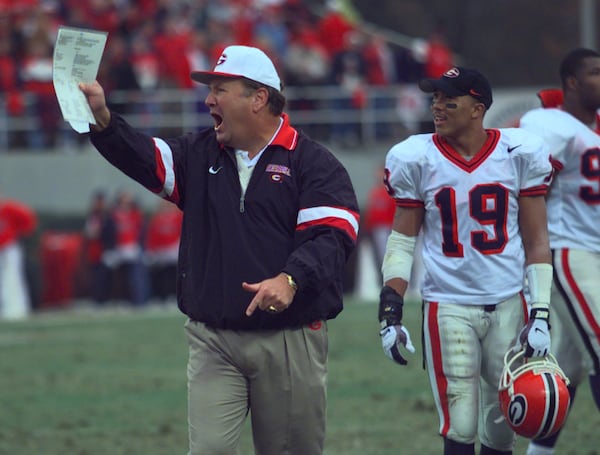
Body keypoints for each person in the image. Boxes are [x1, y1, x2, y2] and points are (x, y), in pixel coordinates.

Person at [79, 44, 359, 455]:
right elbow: (145, 157)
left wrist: (290, 278)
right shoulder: (199, 153)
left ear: (258, 98)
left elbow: (333, 238)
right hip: (214, 340)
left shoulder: (313, 163)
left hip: (288, 337)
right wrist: (103, 121)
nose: (208, 99)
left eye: (220, 89)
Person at [378, 67, 554, 454]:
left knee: (501, 426)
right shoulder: (418, 157)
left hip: (509, 300)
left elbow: (537, 240)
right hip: (448, 305)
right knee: (460, 424)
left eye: (448, 100)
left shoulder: (517, 153)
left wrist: (540, 311)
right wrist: (390, 310)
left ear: (477, 108)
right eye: (435, 98)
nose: (437, 107)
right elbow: (403, 240)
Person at [519, 47, 600, 455]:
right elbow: (532, 189)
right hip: (571, 251)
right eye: (595, 73)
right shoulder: (549, 124)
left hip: (596, 252)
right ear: (572, 81)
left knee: (568, 367)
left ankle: (539, 453)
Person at [0, 189, 37, 320]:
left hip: (9, 249)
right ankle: (5, 309)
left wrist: (23, 233)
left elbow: (28, 218)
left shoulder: (9, 208)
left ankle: (17, 309)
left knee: (13, 278)